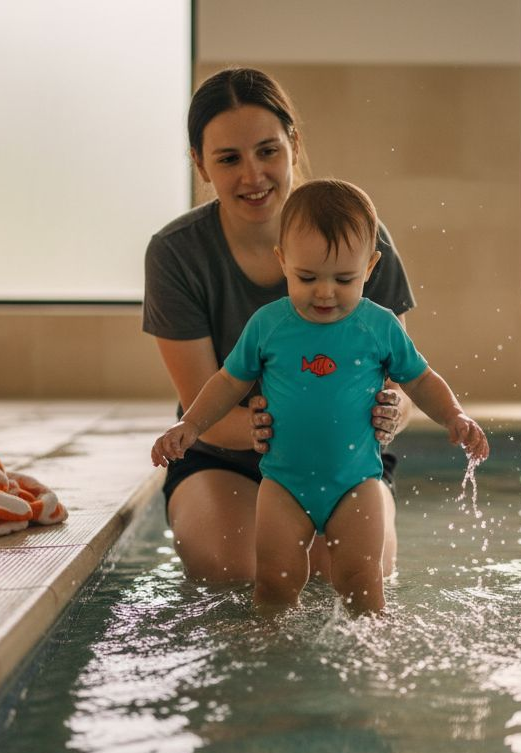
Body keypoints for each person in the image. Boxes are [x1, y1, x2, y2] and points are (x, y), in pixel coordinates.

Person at [151, 180, 489, 614]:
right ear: (283, 261)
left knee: (362, 584)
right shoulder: (268, 325)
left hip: (356, 483)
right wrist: (191, 424)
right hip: (283, 485)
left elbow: (420, 380)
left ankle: (369, 649)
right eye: (307, 277)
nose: (325, 292)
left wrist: (454, 415)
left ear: (370, 266)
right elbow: (228, 382)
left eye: (344, 279)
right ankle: (268, 644)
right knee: (273, 582)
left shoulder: (379, 326)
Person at [143, 68, 417, 583]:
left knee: (352, 577)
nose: (253, 176)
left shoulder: (361, 236)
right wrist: (289, 423)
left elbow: (401, 388)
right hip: (223, 458)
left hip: (344, 460)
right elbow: (206, 408)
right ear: (200, 164)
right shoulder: (177, 254)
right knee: (242, 570)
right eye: (229, 159)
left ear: (293, 144)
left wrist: (390, 413)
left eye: (267, 151)